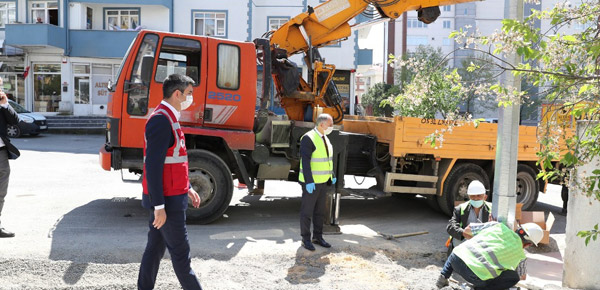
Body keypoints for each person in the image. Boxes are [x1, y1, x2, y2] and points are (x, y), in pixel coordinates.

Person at [138, 74, 202, 290]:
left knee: (155, 249)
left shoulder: (169, 117)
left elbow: (174, 162)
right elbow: (153, 167)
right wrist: (159, 207)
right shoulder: (161, 120)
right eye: (189, 93)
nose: (191, 98)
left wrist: (189, 187)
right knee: (181, 255)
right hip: (168, 203)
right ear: (177, 94)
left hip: (172, 196)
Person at [436, 222, 544, 290]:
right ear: (529, 244)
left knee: (460, 250)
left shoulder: (499, 226)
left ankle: (443, 277)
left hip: (455, 260)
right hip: (475, 276)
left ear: (519, 228)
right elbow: (522, 277)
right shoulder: (521, 255)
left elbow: (468, 229)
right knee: (513, 277)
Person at [298, 113, 336, 251]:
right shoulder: (308, 138)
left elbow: (327, 160)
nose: (332, 127)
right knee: (307, 212)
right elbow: (305, 162)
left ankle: (317, 237)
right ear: (322, 124)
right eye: (330, 124)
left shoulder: (325, 138)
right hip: (311, 183)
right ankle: (305, 239)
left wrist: (332, 175)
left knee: (320, 212)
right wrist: (309, 181)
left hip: (322, 181)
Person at [445, 180, 492, 256]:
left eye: (479, 196)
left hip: (484, 241)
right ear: (469, 196)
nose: (476, 198)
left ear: (485, 197)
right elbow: (451, 226)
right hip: (466, 240)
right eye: (473, 196)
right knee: (456, 240)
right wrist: (463, 233)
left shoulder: (492, 209)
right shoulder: (460, 209)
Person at [0, 78, 19, 238]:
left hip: (1, 152)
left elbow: (15, 121)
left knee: (1, 191)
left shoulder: (2, 104)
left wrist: (5, 104)